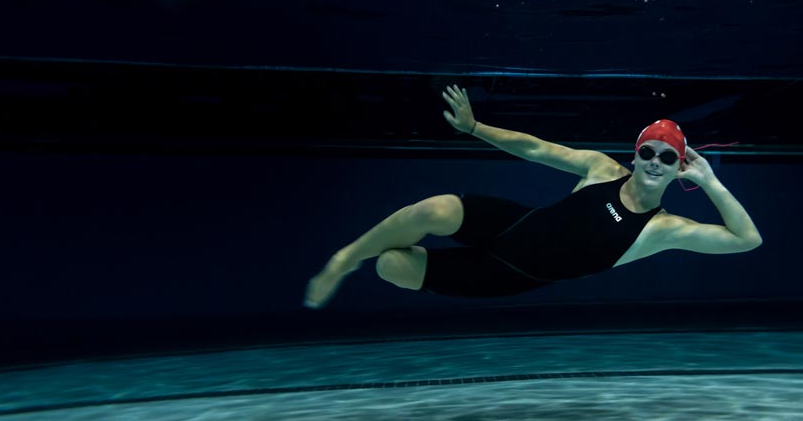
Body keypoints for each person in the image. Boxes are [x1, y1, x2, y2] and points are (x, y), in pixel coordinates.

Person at [304, 84, 761, 307]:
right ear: (636, 152)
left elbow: (746, 240)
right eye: (648, 151)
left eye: (666, 158)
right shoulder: (602, 167)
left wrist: (711, 183)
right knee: (437, 206)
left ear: (678, 165)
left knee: (392, 267)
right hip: (514, 224)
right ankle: (345, 258)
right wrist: (474, 128)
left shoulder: (662, 230)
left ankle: (371, 258)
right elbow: (535, 148)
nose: (654, 163)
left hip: (510, 273)